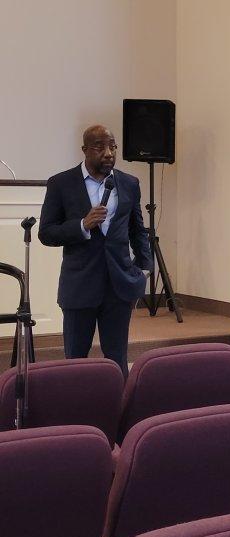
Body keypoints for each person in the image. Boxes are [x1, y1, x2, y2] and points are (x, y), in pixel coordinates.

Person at [39, 125, 152, 377]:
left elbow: (137, 229)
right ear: (85, 150)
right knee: (76, 360)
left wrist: (144, 267)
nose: (109, 153)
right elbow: (46, 233)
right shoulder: (61, 184)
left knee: (117, 360)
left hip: (119, 285)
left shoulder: (129, 183)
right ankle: (76, 411)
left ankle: (118, 411)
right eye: (100, 147)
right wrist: (82, 225)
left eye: (112, 146)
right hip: (80, 285)